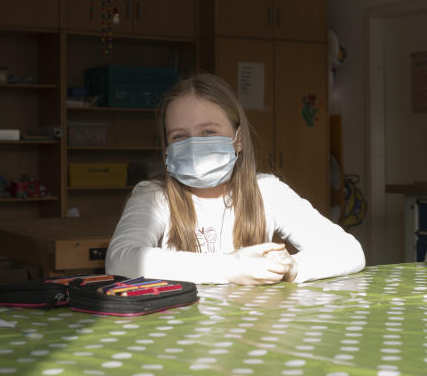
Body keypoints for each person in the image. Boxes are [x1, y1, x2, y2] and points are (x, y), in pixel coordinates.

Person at [105, 73, 365, 285]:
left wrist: (292, 268)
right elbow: (120, 259)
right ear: (166, 147)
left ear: (237, 139)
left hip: (251, 334)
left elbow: (349, 251)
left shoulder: (267, 191)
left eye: (208, 132)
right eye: (179, 136)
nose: (194, 145)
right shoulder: (153, 196)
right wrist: (230, 268)